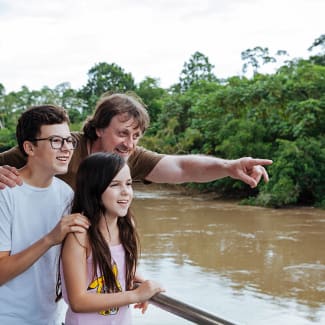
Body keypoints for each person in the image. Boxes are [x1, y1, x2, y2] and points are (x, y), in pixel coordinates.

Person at [0, 92, 272, 191]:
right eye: (122, 133)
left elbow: (183, 168)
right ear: (98, 129)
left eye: (136, 136)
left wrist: (228, 166)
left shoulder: (129, 159)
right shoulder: (60, 145)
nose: (130, 144)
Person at [0, 105, 90, 325]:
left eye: (69, 140)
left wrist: (131, 276)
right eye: (56, 141)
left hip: (50, 316)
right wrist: (50, 239)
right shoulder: (5, 193)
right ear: (29, 148)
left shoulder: (66, 194)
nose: (67, 148)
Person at [58, 152, 164, 324]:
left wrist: (141, 282)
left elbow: (120, 266)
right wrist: (136, 295)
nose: (125, 192)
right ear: (94, 189)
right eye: (115, 185)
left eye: (128, 184)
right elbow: (78, 301)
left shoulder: (126, 226)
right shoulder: (79, 235)